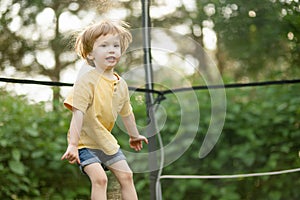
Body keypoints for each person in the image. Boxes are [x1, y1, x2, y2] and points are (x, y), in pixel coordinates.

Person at [61, 20, 148, 200]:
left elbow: (127, 112)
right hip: (84, 144)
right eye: (104, 45)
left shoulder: (121, 84)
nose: (111, 50)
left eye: (116, 46)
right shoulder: (86, 81)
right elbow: (78, 114)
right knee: (100, 179)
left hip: (105, 142)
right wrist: (73, 145)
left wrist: (134, 135)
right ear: (91, 54)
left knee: (127, 176)